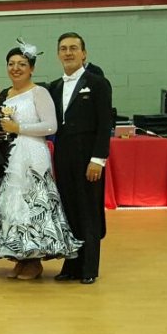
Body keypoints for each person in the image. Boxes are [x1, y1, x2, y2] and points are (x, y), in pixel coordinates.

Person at [0, 44, 81, 279]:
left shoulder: (40, 93)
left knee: (31, 205)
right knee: (11, 205)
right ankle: (19, 256)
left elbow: (51, 126)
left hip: (32, 156)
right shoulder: (5, 94)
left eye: (22, 64)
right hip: (8, 156)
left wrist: (19, 128)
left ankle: (34, 260)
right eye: (11, 64)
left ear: (32, 69)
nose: (16, 68)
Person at [49, 32, 112, 285]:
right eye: (63, 48)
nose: (68, 53)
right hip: (63, 156)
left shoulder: (98, 83)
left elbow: (105, 123)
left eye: (73, 48)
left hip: (88, 157)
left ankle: (88, 268)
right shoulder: (55, 87)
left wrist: (98, 159)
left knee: (88, 211)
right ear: (58, 54)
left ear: (84, 53)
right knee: (69, 210)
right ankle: (71, 265)